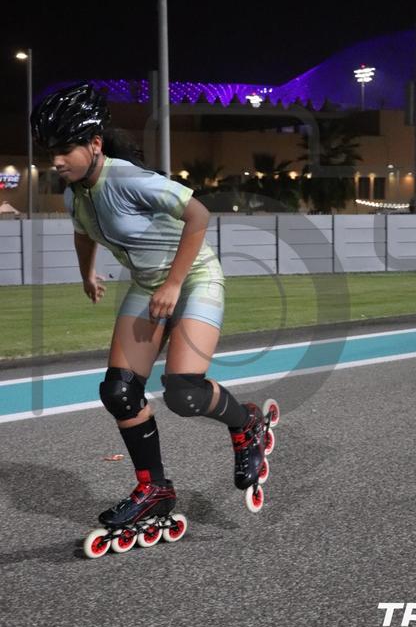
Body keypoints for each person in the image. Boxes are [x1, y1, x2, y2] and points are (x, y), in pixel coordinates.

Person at [31, 82, 273, 536]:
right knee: (119, 392)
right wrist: (88, 273)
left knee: (184, 393)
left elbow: (198, 215)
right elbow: (83, 234)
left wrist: (176, 282)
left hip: (194, 278)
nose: (56, 161)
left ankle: (247, 425)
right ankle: (155, 489)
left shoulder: (127, 179)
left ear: (95, 143)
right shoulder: (74, 193)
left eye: (64, 149)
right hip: (148, 286)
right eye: (50, 152)